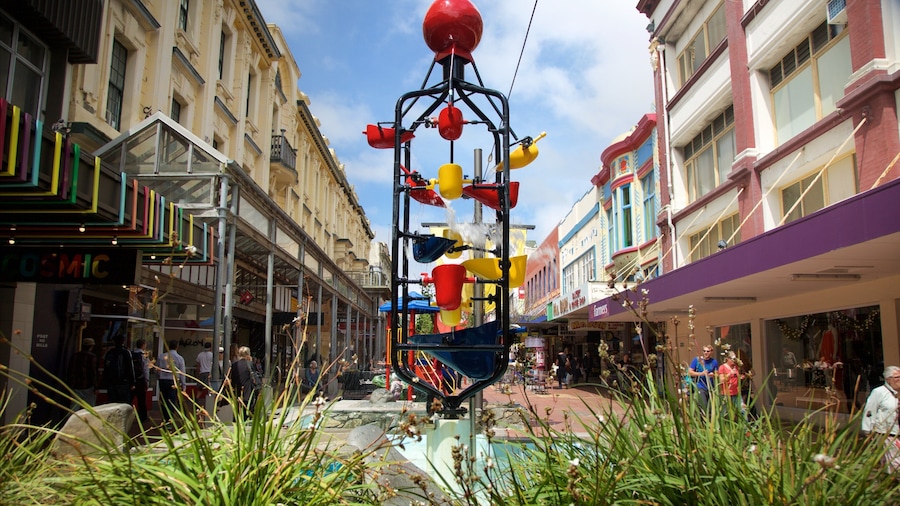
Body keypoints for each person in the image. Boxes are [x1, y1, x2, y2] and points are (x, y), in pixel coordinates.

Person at [861, 365, 900, 472]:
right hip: (885, 433)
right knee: (896, 461)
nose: (899, 380)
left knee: (887, 462)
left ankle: (888, 483)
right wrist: (868, 430)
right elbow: (869, 411)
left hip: (896, 431)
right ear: (888, 379)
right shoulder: (879, 392)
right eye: (897, 377)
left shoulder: (897, 393)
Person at [157, 340, 186, 424]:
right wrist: (183, 385)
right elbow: (182, 372)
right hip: (173, 381)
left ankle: (164, 418)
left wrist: (159, 378)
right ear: (177, 347)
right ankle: (169, 420)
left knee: (163, 400)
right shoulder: (179, 358)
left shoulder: (161, 356)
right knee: (171, 401)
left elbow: (158, 369)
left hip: (163, 381)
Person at [102, 333, 135, 404]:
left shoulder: (110, 353)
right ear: (123, 341)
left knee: (113, 403)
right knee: (124, 404)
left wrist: (104, 381)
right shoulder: (125, 352)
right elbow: (130, 367)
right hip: (123, 382)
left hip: (111, 382)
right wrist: (132, 382)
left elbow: (106, 368)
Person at [68, 337, 99, 409]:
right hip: (88, 386)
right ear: (91, 346)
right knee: (89, 408)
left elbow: (70, 371)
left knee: (74, 407)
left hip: (75, 386)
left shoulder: (75, 356)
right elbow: (93, 372)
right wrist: (96, 386)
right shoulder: (92, 357)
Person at [226, 346, 258, 416]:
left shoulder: (234, 365)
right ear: (248, 354)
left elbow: (232, 379)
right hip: (248, 390)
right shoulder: (250, 364)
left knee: (238, 410)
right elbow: (255, 376)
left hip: (237, 390)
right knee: (248, 409)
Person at [689, 345, 719, 413]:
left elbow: (717, 374)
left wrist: (713, 375)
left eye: (708, 351)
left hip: (710, 387)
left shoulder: (714, 362)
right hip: (700, 386)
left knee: (711, 408)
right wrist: (701, 374)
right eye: (704, 351)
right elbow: (690, 372)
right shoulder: (697, 360)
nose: (706, 353)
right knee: (703, 406)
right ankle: (702, 421)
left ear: (711, 352)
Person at [718, 352, 744, 419]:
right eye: (732, 359)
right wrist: (730, 373)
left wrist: (740, 377)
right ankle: (721, 427)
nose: (734, 360)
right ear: (728, 359)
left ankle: (745, 428)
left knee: (743, 410)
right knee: (724, 412)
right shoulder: (722, 367)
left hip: (736, 393)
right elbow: (721, 380)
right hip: (726, 394)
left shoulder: (736, 367)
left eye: (735, 359)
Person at [131, 338, 150, 423]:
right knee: (141, 399)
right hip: (140, 380)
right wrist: (147, 381)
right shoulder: (144, 355)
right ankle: (143, 417)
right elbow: (146, 369)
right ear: (143, 345)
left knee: (129, 398)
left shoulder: (131, 354)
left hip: (132, 380)